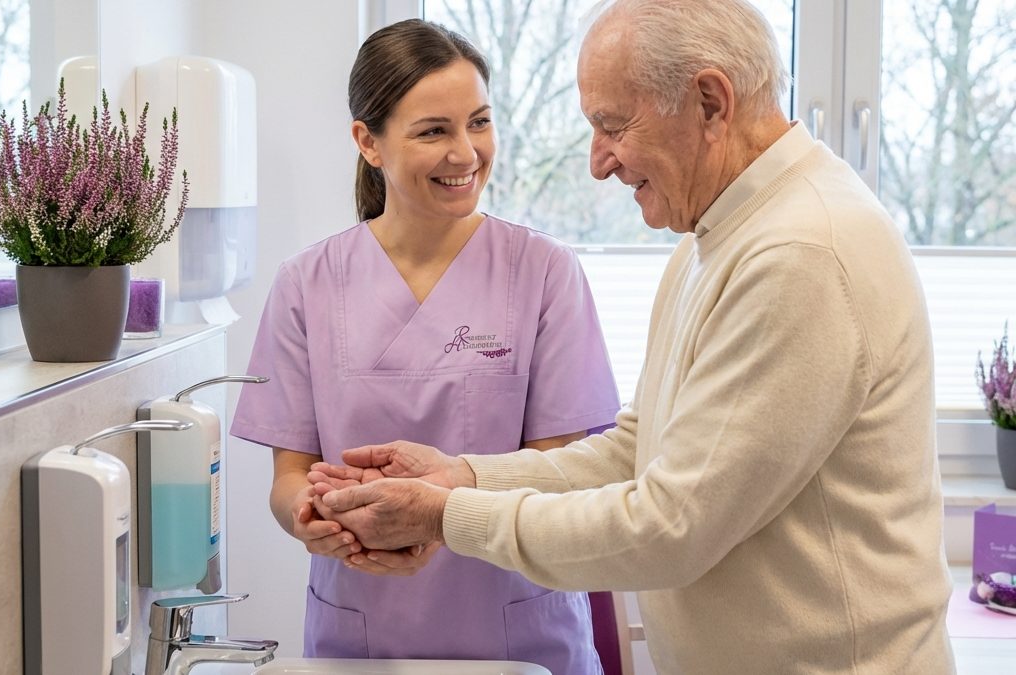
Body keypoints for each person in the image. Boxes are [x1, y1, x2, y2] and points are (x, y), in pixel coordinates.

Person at [309, 1, 958, 673]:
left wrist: (447, 514)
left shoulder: (802, 252)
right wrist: (464, 473)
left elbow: (672, 526)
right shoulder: (714, 238)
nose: (597, 162)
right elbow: (636, 448)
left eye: (611, 125)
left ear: (710, 102)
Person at [229, 18, 620, 674]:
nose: (466, 153)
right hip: (363, 637)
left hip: (518, 633)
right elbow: (289, 476)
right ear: (369, 142)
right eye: (434, 130)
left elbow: (561, 471)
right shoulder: (308, 284)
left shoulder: (545, 273)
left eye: (479, 121)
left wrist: (440, 516)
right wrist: (311, 518)